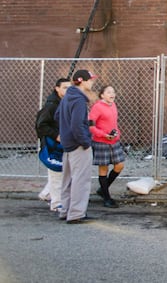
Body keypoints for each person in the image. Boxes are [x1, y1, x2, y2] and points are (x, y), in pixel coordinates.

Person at [55, 69, 97, 224]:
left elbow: (58, 116)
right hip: (78, 145)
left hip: (67, 144)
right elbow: (77, 125)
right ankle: (77, 214)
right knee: (81, 180)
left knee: (67, 180)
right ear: (83, 81)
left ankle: (65, 210)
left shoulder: (67, 96)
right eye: (90, 79)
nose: (92, 82)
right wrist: (86, 141)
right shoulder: (79, 100)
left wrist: (65, 131)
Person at [35, 77, 70, 212]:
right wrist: (56, 136)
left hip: (62, 143)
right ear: (57, 88)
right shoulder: (51, 105)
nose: (67, 90)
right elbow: (41, 125)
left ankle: (46, 193)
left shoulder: (64, 102)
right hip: (53, 144)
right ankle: (56, 203)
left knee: (60, 171)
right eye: (64, 87)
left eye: (69, 87)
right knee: (56, 173)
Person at [89, 85, 126, 208]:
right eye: (109, 92)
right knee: (103, 169)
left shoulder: (113, 105)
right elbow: (90, 126)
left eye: (113, 92)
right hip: (101, 142)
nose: (112, 94)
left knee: (119, 165)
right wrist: (103, 135)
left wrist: (117, 133)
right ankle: (106, 198)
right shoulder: (97, 107)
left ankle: (102, 189)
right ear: (102, 95)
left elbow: (114, 123)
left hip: (114, 141)